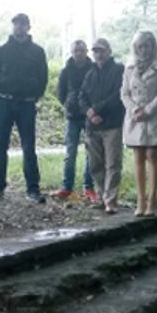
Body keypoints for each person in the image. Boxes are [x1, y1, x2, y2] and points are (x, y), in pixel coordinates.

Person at [0, 13, 49, 203]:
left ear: (28, 28)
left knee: (29, 147)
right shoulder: (2, 50)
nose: (20, 28)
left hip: (27, 104)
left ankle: (33, 188)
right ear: (13, 27)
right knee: (0, 146)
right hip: (5, 102)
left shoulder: (37, 52)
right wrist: (0, 92)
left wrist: (33, 96)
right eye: (16, 24)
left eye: (23, 25)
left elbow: (43, 78)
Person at [121, 31, 157, 216]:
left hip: (153, 117)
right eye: (139, 46)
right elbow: (124, 93)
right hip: (134, 118)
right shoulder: (129, 67)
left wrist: (147, 111)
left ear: (153, 46)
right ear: (135, 48)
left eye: (146, 46)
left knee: (152, 155)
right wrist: (134, 110)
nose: (143, 50)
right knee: (138, 157)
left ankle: (152, 201)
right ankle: (140, 201)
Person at [80, 38, 126, 214]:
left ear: (109, 51)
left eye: (101, 50)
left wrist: (97, 110)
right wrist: (89, 113)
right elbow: (81, 96)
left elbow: (118, 95)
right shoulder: (90, 73)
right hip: (92, 126)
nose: (98, 54)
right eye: (95, 51)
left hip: (112, 124)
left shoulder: (118, 70)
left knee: (113, 164)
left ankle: (111, 200)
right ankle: (101, 196)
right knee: (95, 165)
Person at [52, 39, 96, 202]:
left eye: (82, 50)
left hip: (89, 116)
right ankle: (66, 187)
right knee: (70, 153)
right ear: (72, 52)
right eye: (76, 50)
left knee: (91, 153)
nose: (79, 53)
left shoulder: (93, 69)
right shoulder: (66, 70)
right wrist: (68, 104)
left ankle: (89, 187)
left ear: (86, 52)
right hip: (72, 116)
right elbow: (61, 92)